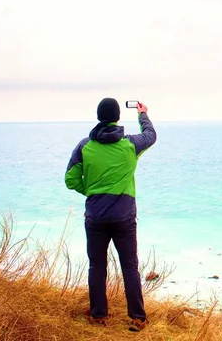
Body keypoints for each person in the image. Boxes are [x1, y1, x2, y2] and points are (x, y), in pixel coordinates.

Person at [64, 97, 157, 332]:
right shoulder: (129, 145)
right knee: (130, 267)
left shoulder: (85, 146)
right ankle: (137, 317)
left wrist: (92, 192)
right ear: (117, 117)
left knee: (97, 266)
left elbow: (70, 179)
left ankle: (98, 316)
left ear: (98, 117)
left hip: (95, 216)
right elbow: (151, 135)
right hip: (124, 217)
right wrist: (142, 114)